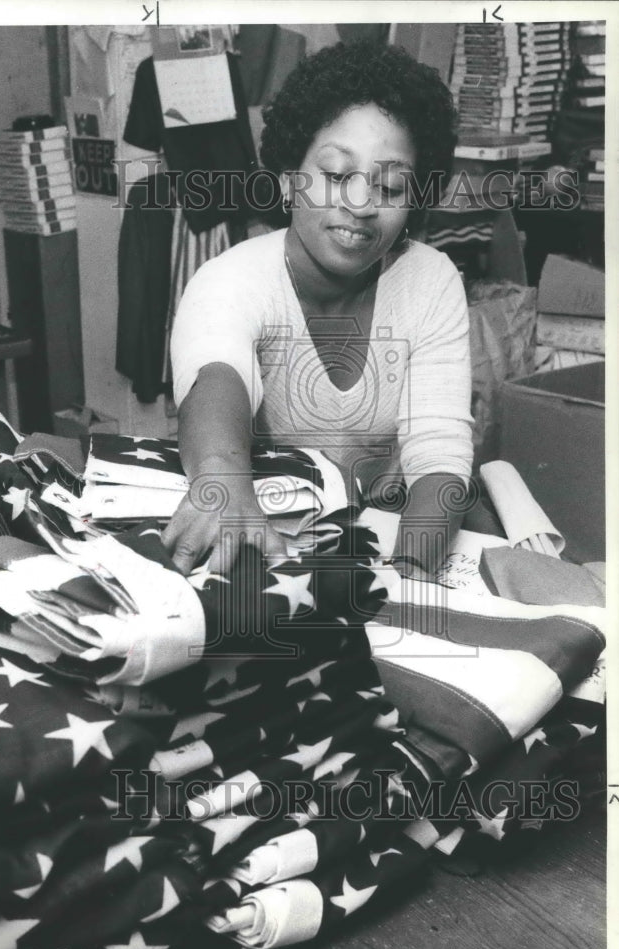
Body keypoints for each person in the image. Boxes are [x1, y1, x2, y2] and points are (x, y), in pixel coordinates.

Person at [163, 39, 474, 579]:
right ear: (287, 178)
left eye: (392, 186)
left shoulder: (430, 280)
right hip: (268, 538)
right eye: (334, 176)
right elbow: (215, 376)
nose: (360, 205)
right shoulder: (230, 278)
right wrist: (222, 481)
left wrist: (404, 577)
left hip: (390, 537)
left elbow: (440, 457)